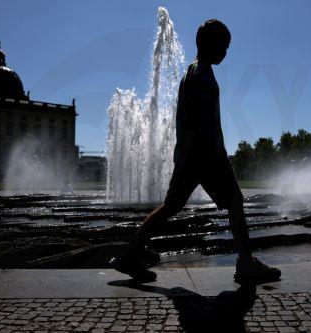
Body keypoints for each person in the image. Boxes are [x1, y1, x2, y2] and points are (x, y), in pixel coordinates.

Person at [110, 19, 281, 284]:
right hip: (205, 156)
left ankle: (129, 256)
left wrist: (183, 160)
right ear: (210, 45)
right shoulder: (200, 74)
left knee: (170, 207)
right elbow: (196, 123)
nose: (226, 52)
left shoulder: (198, 72)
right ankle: (246, 263)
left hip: (194, 157)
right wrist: (204, 157)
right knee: (235, 201)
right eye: (223, 46)